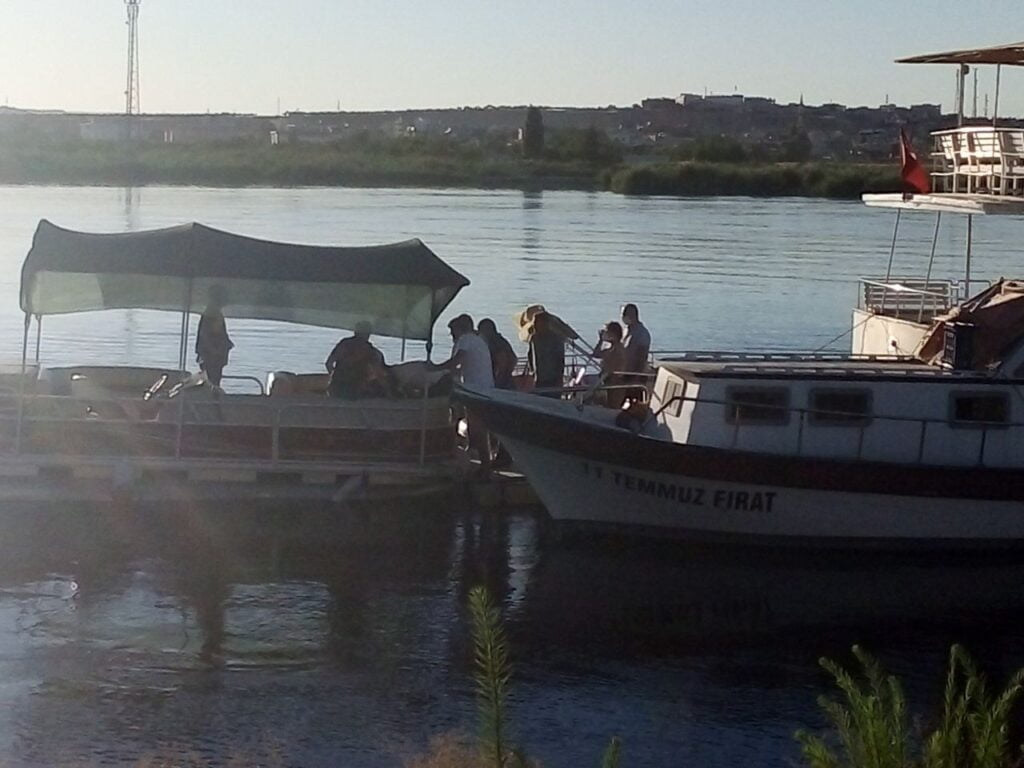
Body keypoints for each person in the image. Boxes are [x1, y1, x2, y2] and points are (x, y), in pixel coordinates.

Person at [436, 314, 493, 474]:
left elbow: (457, 361)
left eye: (453, 332)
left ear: (460, 329)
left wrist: (435, 368)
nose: (452, 336)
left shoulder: (466, 339)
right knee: (475, 425)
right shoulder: (478, 340)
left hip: (477, 390)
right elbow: (464, 365)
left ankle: (485, 467)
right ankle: (475, 457)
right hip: (484, 388)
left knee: (477, 428)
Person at [325, 321, 388, 399]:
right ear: (368, 334)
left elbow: (328, 364)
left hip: (335, 390)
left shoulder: (344, 344)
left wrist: (336, 377)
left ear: (355, 331)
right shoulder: (372, 352)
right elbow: (379, 374)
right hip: (356, 393)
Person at [195, 285, 234, 387]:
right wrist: (217, 351)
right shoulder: (213, 314)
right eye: (225, 296)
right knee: (212, 385)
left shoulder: (212, 312)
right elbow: (208, 337)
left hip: (211, 357)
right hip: (212, 359)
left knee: (211, 384)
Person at [528, 311, 565, 397]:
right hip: (538, 377)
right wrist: (532, 371)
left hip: (552, 377)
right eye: (535, 323)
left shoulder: (556, 339)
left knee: (553, 398)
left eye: (539, 323)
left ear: (546, 324)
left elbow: (560, 359)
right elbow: (530, 355)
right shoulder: (534, 338)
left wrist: (559, 378)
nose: (536, 325)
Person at [621, 303, 651, 401]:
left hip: (634, 373)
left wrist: (637, 376)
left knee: (633, 399)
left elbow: (642, 356)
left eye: (623, 315)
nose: (622, 318)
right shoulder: (626, 330)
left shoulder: (642, 333)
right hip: (624, 371)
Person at [477, 317, 517, 390]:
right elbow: (513, 359)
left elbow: (503, 360)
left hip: (502, 383)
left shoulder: (495, 342)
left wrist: (499, 381)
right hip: (506, 380)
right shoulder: (501, 340)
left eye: (481, 331)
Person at [595, 321, 627, 409]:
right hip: (607, 381)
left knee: (612, 407)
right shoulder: (611, 348)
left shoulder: (618, 350)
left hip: (615, 383)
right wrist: (600, 341)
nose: (605, 333)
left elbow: (612, 367)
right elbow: (596, 354)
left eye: (606, 331)